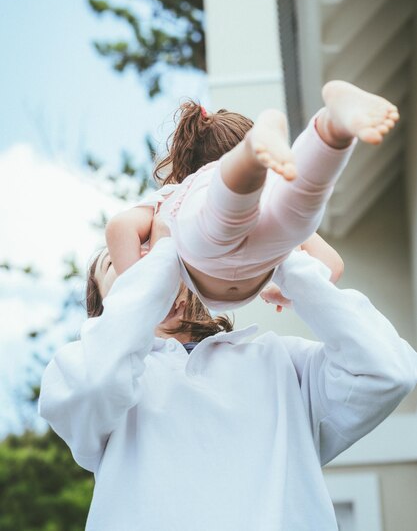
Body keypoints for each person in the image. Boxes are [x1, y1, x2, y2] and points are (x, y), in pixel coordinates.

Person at [39, 227, 417, 531]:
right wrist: (164, 253)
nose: (149, 260)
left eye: (155, 249)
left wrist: (279, 253)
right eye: (118, 262)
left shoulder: (281, 361)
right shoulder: (80, 370)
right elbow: (96, 382)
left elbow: (387, 370)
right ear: (102, 306)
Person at [105, 80, 399, 311]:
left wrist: (138, 290)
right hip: (266, 243)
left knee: (228, 220)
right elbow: (331, 264)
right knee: (301, 204)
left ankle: (314, 138)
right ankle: (331, 128)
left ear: (190, 170)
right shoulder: (270, 192)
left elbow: (120, 226)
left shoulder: (179, 194)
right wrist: (286, 288)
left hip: (209, 247)